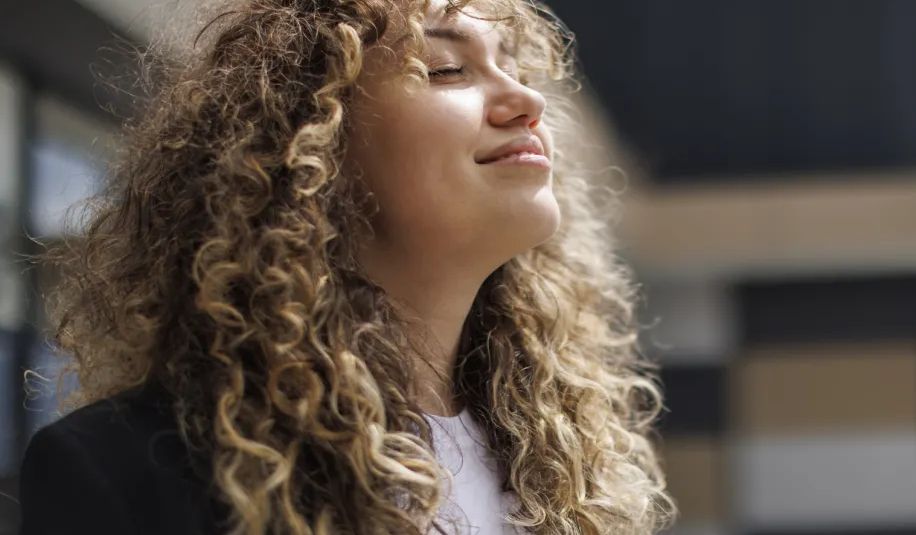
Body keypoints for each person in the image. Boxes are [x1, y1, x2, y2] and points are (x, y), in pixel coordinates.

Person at [17, 0, 676, 533]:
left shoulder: (571, 467)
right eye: (447, 69)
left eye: (515, 66)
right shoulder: (126, 470)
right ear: (314, 142)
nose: (524, 101)